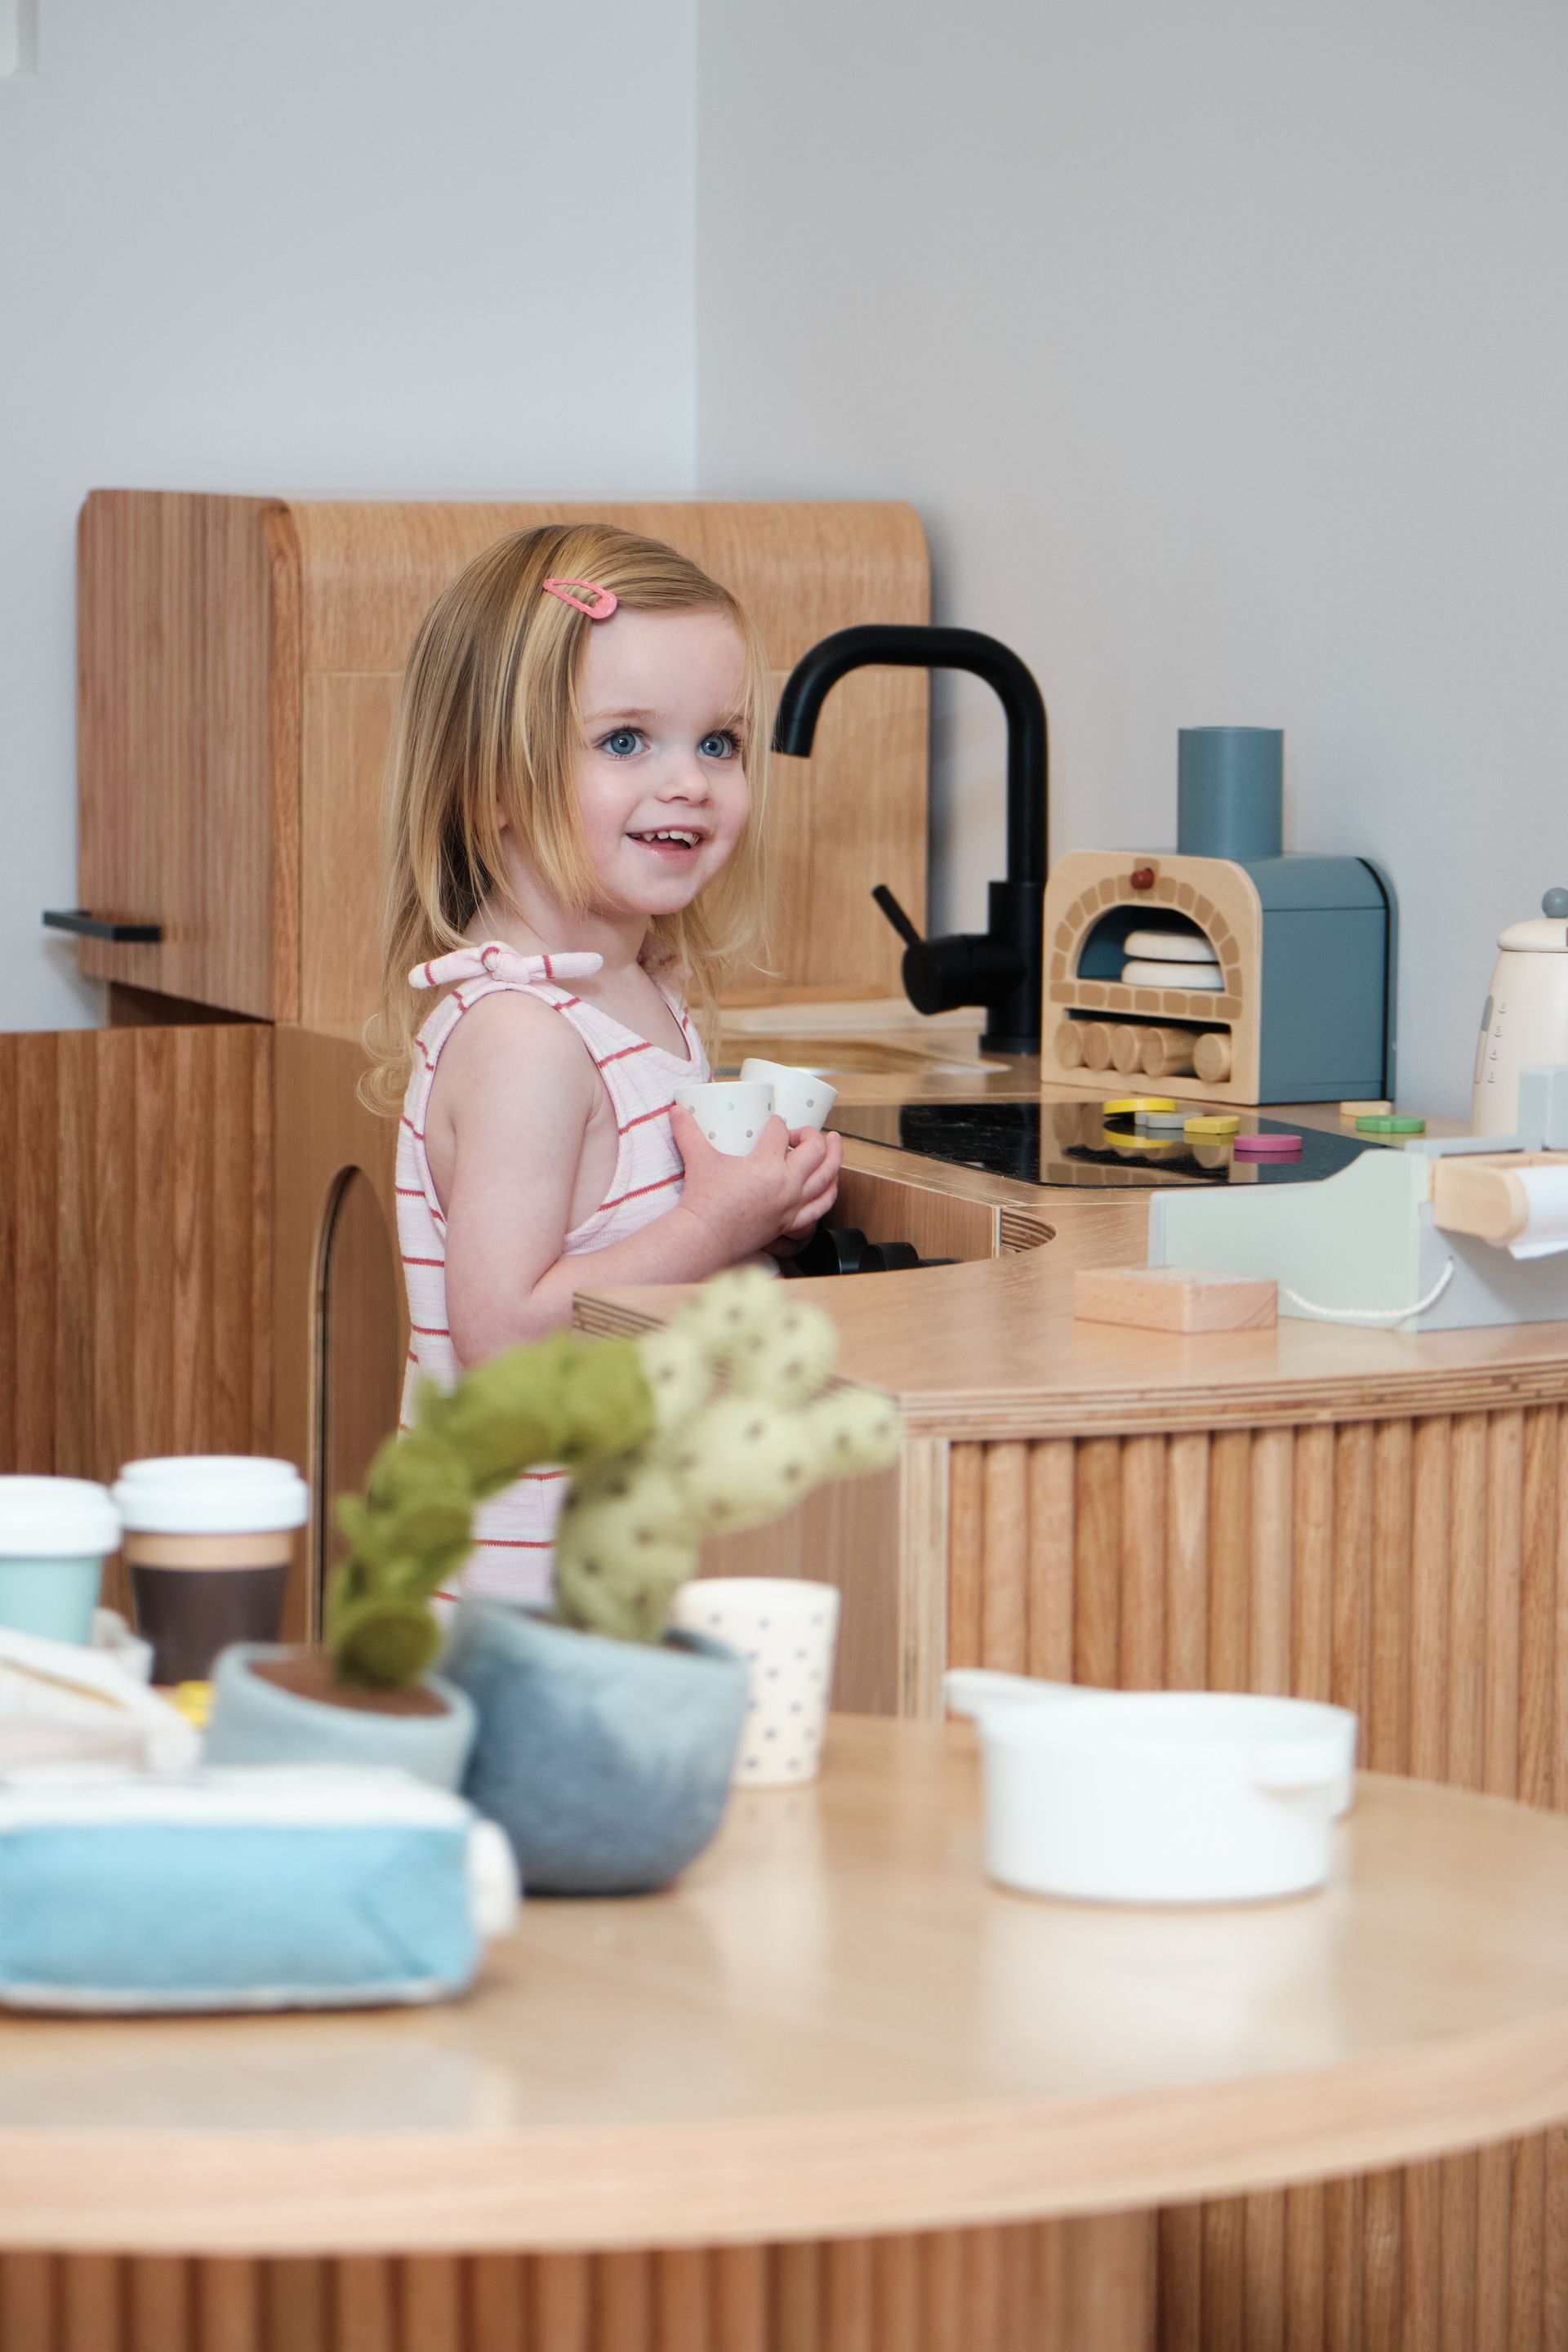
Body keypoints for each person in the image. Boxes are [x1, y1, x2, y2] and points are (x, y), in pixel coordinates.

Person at [365, 522, 842, 1599]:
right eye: (627, 741)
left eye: (717, 743)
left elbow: (630, 1242)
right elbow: (508, 1335)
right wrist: (720, 1224)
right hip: (521, 1600)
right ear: (490, 782)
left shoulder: (639, 986)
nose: (689, 783)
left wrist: (755, 1206)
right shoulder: (526, 1038)